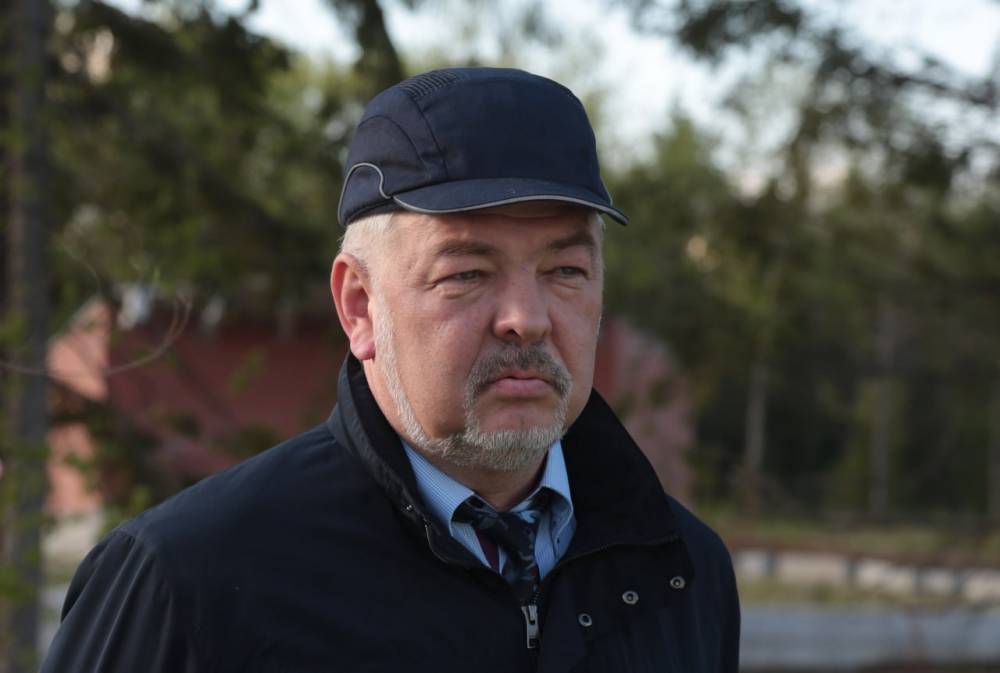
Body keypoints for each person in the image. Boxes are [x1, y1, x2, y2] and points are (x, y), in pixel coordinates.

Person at [42, 67, 739, 673]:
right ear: (359, 306)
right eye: (467, 273)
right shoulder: (187, 579)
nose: (527, 318)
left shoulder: (682, 574)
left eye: (565, 271)